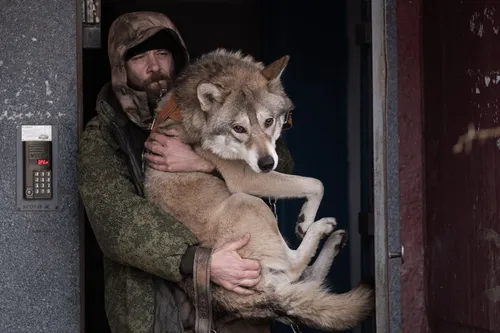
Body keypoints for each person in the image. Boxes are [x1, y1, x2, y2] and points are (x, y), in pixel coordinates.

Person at [77, 10, 294, 333]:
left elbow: (283, 166)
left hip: (242, 301)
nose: (154, 66)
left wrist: (207, 165)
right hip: (155, 316)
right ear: (121, 68)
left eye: (162, 54)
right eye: (140, 58)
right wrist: (202, 261)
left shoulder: (215, 109)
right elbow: (117, 221)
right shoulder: (105, 135)